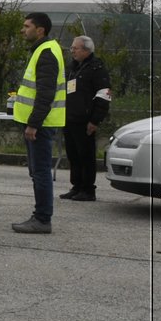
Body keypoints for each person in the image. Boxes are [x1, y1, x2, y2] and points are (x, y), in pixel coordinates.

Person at [11, 12, 66, 234]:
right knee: (37, 171)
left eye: (26, 26)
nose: (23, 30)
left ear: (40, 30)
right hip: (38, 123)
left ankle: (42, 219)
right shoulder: (43, 50)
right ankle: (41, 217)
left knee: (41, 171)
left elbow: (45, 93)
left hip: (40, 125)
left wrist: (33, 124)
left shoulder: (46, 53)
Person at [61, 35, 112, 201]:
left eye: (75, 48)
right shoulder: (73, 68)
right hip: (69, 118)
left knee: (86, 155)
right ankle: (76, 186)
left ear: (86, 50)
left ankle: (88, 189)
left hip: (85, 120)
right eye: (72, 48)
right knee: (73, 154)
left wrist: (95, 120)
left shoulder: (97, 69)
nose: (72, 51)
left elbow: (104, 95)